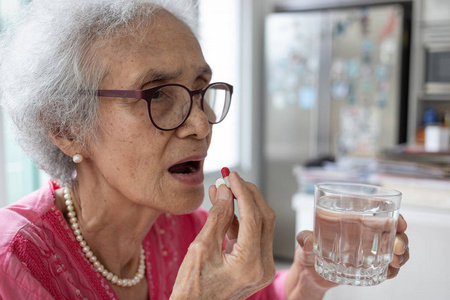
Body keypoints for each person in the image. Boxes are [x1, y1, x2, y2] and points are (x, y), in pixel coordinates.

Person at [0, 0, 409, 299]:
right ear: (66, 127)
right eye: (158, 94)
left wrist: (305, 277)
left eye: (200, 90)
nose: (200, 124)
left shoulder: (184, 230)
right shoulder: (12, 266)